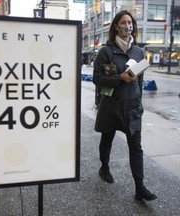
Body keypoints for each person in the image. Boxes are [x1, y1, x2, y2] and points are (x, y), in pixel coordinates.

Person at [92, 10, 157, 201]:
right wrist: (119, 77)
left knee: (136, 147)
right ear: (115, 26)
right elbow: (98, 78)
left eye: (130, 22)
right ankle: (104, 167)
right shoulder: (106, 51)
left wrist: (140, 103)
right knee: (107, 139)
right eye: (124, 22)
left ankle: (140, 187)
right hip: (111, 106)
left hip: (132, 108)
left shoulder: (138, 51)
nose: (128, 26)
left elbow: (140, 81)